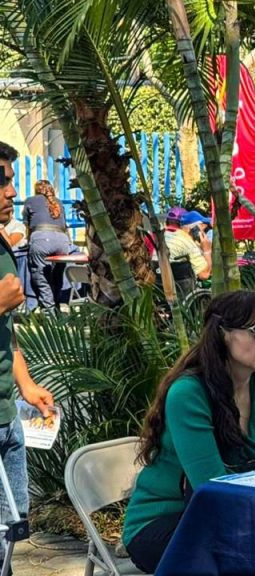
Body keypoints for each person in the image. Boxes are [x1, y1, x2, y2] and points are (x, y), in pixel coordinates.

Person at [123, 291, 255, 573]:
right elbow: (212, 489)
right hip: (166, 521)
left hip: (241, 513)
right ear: (224, 333)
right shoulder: (189, 393)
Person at [0, 141, 55, 536]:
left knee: (13, 530)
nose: (12, 192)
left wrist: (26, 384)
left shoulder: (2, 242)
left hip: (6, 415)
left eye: (11, 181)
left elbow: (7, 328)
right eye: (1, 182)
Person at [24, 180, 79, 311]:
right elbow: (64, 226)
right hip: (62, 241)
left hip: (41, 239)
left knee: (40, 275)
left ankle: (49, 311)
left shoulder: (30, 201)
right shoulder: (58, 202)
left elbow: (28, 227)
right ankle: (58, 305)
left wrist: (29, 241)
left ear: (36, 190)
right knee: (57, 275)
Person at [164, 207, 211, 281]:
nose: (203, 232)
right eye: (202, 229)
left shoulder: (165, 235)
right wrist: (207, 251)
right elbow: (204, 275)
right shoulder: (188, 243)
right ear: (194, 229)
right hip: (178, 285)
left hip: (160, 281)